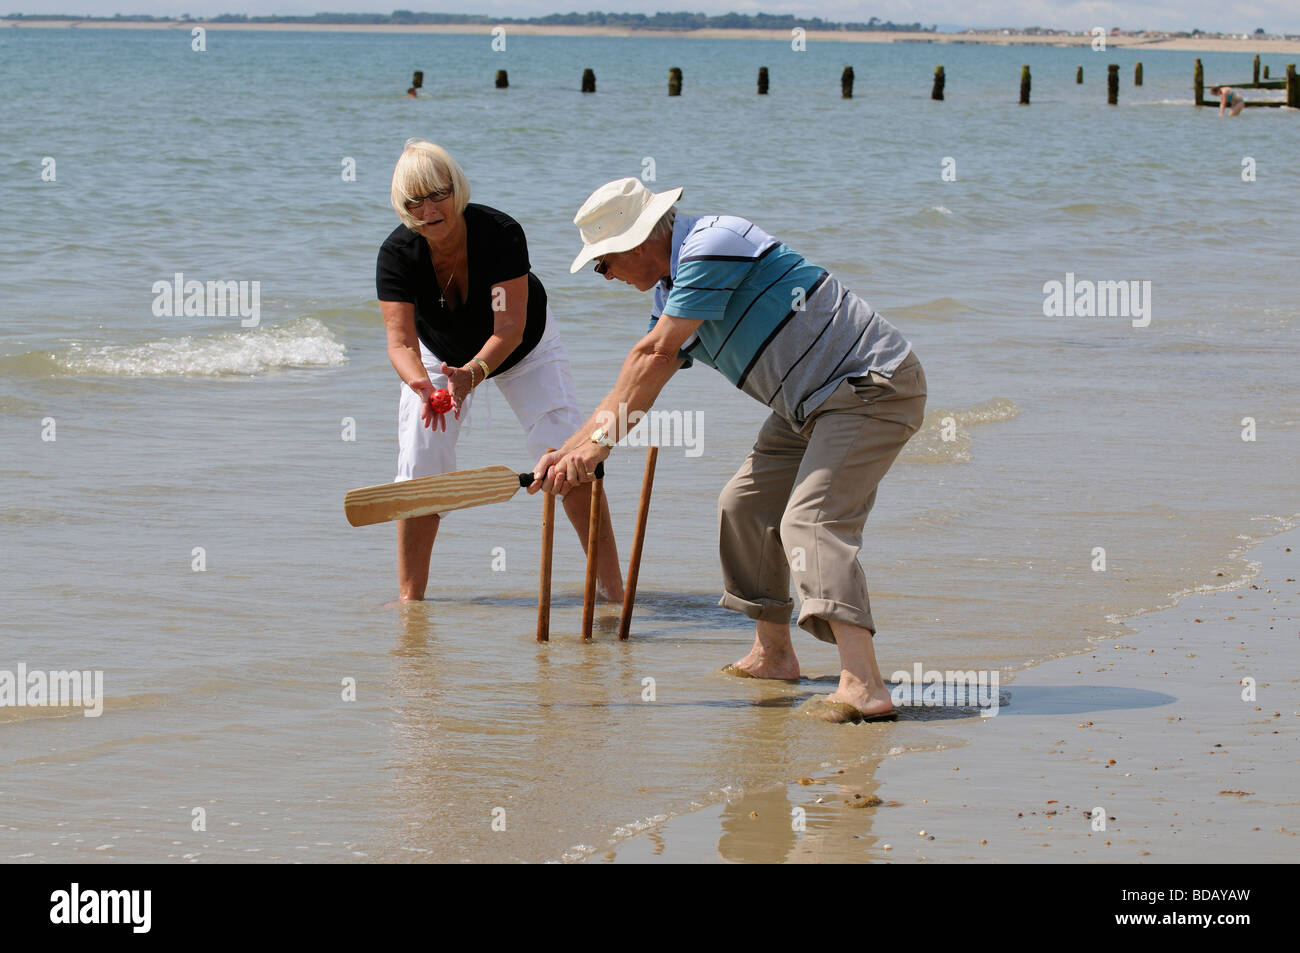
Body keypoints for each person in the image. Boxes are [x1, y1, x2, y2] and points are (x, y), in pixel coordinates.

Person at [529, 178, 927, 723]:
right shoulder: (672, 292)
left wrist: (594, 451)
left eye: (604, 263)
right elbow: (638, 379)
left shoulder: (712, 244)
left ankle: (865, 684)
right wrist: (568, 453)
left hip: (868, 386)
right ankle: (774, 653)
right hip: (806, 405)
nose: (607, 277)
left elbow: (654, 354)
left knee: (811, 524)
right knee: (742, 505)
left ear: (639, 242)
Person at [377, 140, 622, 603]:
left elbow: (509, 326)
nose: (429, 209)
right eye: (415, 201)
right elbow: (401, 342)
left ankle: (613, 592)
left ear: (457, 188)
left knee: (567, 451)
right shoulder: (397, 254)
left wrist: (474, 372)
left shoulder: (499, 233)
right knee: (419, 463)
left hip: (524, 346)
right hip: (438, 357)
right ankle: (411, 604)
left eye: (438, 194)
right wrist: (422, 386)